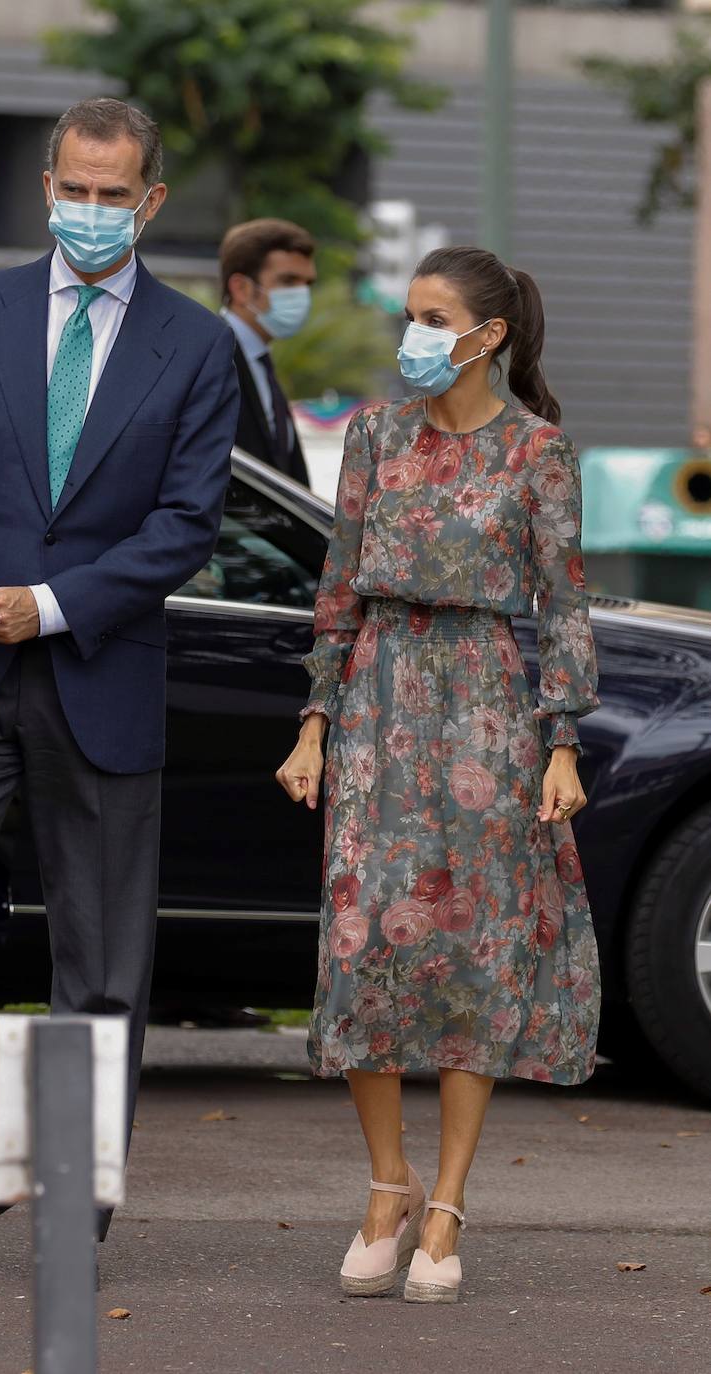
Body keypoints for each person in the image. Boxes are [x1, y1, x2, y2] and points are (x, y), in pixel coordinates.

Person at [0, 97, 239, 1271]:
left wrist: (54, 602)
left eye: (109, 194)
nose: (87, 212)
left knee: (98, 960)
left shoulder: (194, 345)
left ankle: (73, 1188)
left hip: (95, 672)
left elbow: (187, 524)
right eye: (70, 190)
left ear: (149, 201)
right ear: (45, 186)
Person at [276, 246, 601, 1305]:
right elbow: (334, 591)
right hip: (376, 704)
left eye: (429, 316)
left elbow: (561, 606)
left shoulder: (536, 454)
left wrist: (561, 743)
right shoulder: (371, 435)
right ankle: (386, 1184)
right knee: (363, 942)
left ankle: (448, 1201)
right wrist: (312, 725)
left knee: (477, 953)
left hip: (487, 714)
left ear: (486, 335)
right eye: (406, 314)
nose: (410, 334)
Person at [220, 218, 316, 487]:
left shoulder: (261, 362)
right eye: (288, 281)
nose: (302, 294)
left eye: (308, 283)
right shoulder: (208, 358)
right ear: (241, 288)